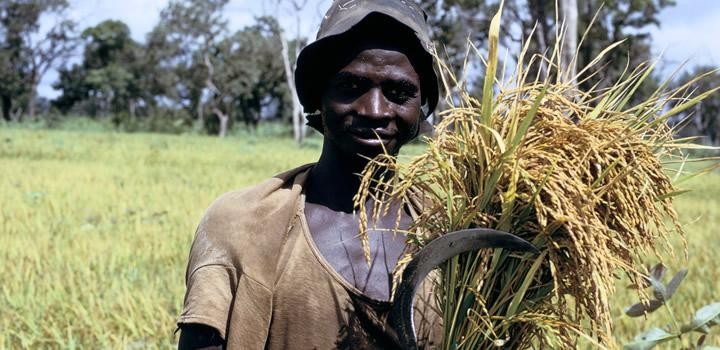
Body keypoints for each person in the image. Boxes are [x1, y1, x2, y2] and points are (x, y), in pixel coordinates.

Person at [177, 1, 441, 349]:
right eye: (352, 86)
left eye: (398, 92)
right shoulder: (240, 226)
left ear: (420, 106)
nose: (374, 110)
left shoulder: (448, 229)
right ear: (319, 93)